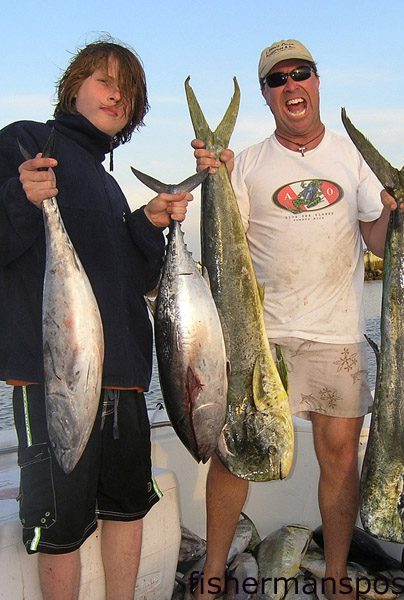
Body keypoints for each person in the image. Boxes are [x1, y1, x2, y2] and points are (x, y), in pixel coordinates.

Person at [192, 39, 404, 600]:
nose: (292, 85)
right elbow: (226, 251)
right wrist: (212, 180)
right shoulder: (244, 163)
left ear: (317, 83)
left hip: (334, 335)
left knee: (341, 460)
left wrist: (396, 211)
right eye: (278, 80)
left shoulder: (351, 158)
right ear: (268, 97)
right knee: (235, 453)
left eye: (302, 74)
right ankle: (213, 570)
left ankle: (338, 576)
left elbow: (374, 237)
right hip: (259, 340)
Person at [0, 39, 192, 600]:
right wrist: (17, 195)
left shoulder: (107, 185)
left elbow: (127, 279)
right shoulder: (25, 140)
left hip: (125, 377)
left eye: (128, 91)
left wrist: (148, 223)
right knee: (61, 528)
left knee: (127, 508)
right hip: (53, 377)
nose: (117, 95)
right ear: (74, 84)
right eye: (105, 81)